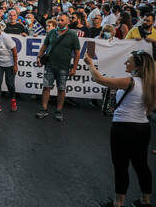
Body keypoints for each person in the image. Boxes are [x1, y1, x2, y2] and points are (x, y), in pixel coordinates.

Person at [84, 50, 155, 207]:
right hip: (143, 127)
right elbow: (150, 108)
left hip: (123, 127)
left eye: (129, 61)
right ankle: (145, 201)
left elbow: (99, 79)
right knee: (141, 165)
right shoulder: (151, 84)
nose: (126, 64)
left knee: (121, 166)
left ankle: (118, 202)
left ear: (138, 66)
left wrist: (89, 63)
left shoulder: (130, 82)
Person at [36, 13, 81, 121]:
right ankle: (44, 108)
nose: (59, 22)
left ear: (67, 22)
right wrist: (39, 56)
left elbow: (77, 53)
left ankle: (59, 110)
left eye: (62, 20)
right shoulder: (52, 32)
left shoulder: (72, 35)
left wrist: (74, 67)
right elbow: (45, 45)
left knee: (61, 89)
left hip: (63, 67)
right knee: (46, 87)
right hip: (50, 65)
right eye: (58, 20)